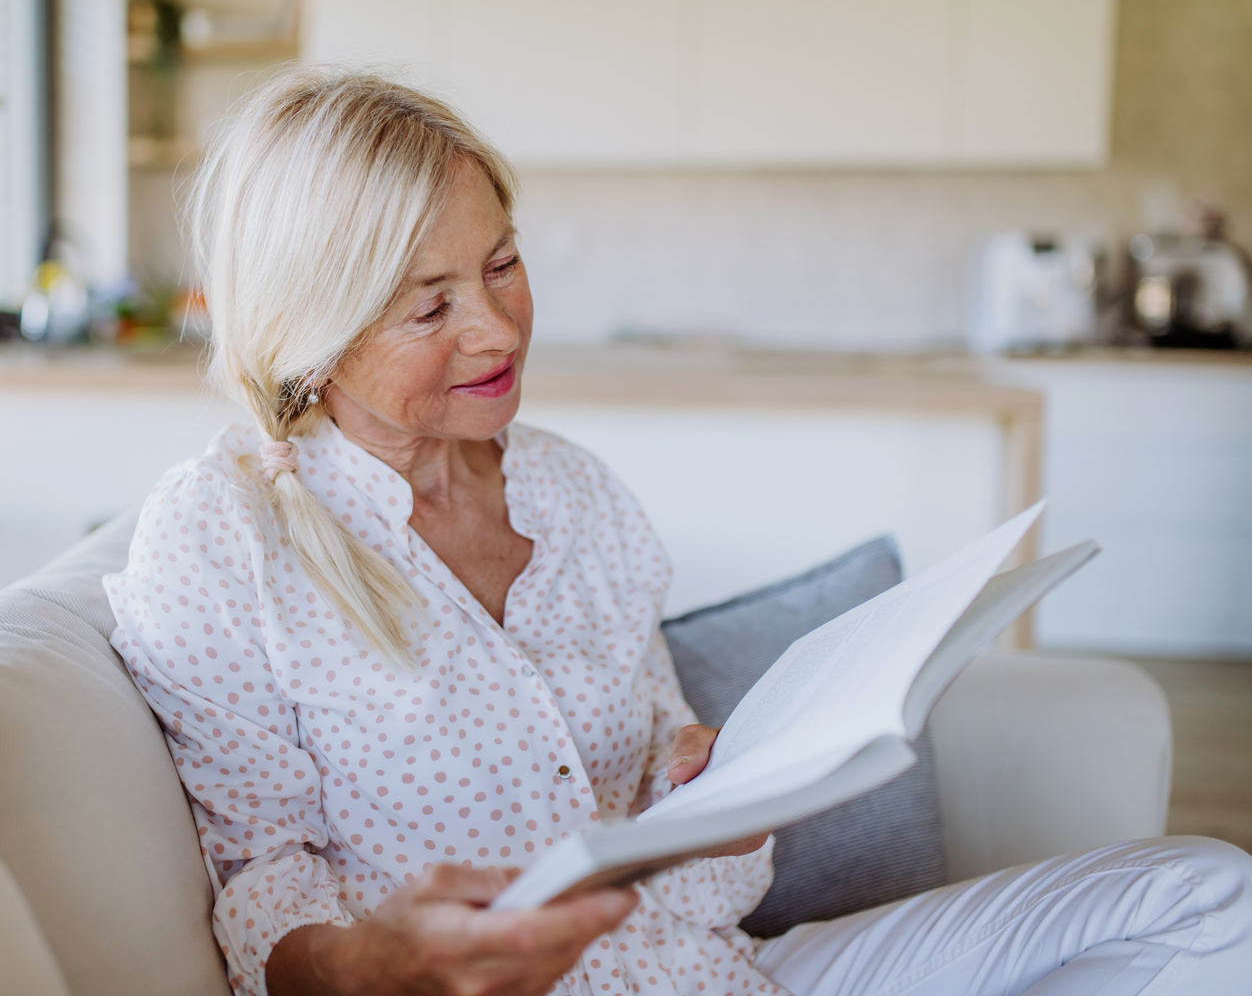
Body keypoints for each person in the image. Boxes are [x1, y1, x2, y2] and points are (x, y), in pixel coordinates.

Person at [105, 67, 1252, 996]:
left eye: (503, 263)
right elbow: (258, 877)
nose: (498, 324)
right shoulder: (224, 537)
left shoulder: (575, 494)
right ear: (314, 330)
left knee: (1206, 894)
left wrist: (702, 793)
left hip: (716, 972)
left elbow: (685, 844)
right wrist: (375, 965)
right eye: (430, 303)